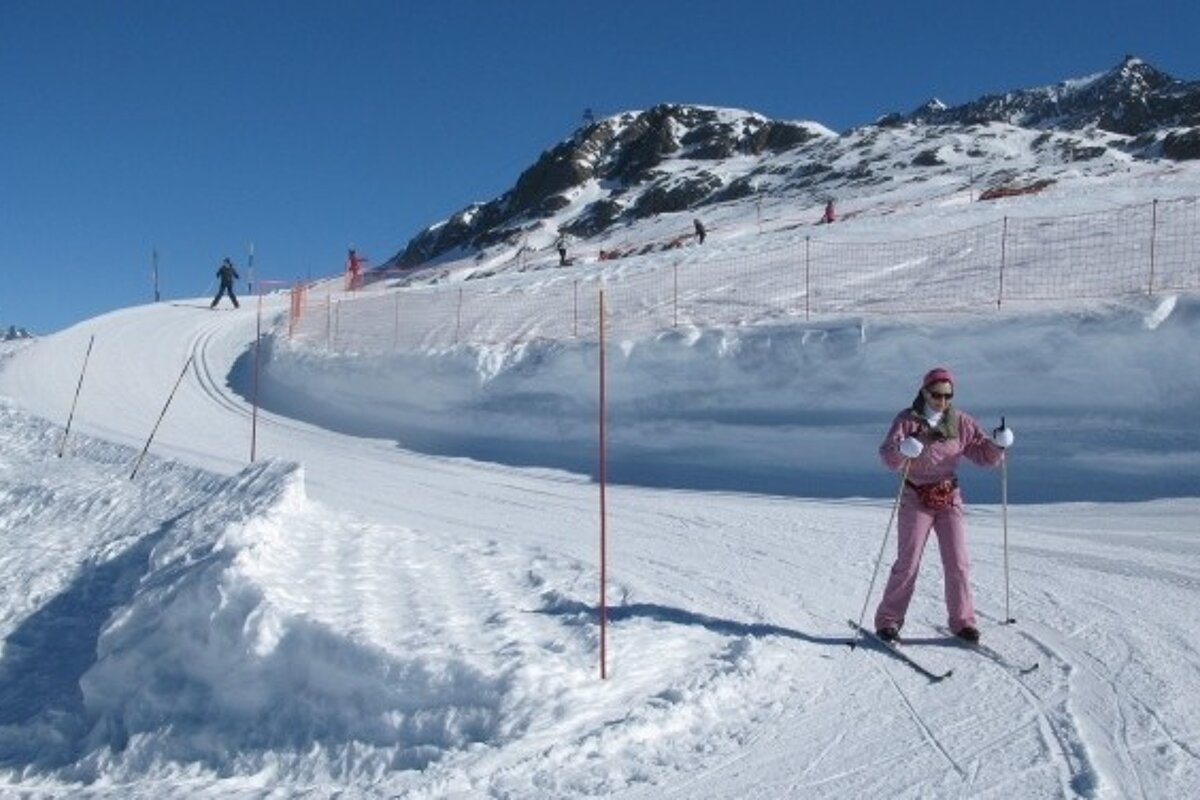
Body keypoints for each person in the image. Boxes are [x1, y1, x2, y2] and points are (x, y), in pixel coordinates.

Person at [874, 367, 1014, 644]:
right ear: (924, 392)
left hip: (949, 498)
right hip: (915, 497)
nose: (942, 401)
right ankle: (888, 621)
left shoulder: (960, 422)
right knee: (908, 563)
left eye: (948, 396)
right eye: (936, 395)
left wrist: (998, 445)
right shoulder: (907, 421)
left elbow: (982, 455)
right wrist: (902, 450)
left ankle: (963, 622)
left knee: (958, 562)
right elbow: (888, 457)